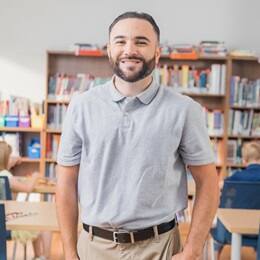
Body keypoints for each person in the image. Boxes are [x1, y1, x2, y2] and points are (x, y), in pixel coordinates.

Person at [56, 11, 219, 260]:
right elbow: (66, 181)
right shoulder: (81, 106)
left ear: (157, 52)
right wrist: (69, 252)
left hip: (160, 247)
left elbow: (208, 182)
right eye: (120, 41)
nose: (129, 49)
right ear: (108, 49)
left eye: (141, 42)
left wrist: (193, 250)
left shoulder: (185, 110)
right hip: (93, 248)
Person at [0, 141, 51, 260]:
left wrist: (13, 160)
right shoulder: (6, 176)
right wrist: (35, 176)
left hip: (3, 224)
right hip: (11, 225)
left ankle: (38, 256)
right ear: (6, 159)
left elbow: (8, 163)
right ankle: (44, 256)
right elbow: (27, 188)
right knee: (45, 224)